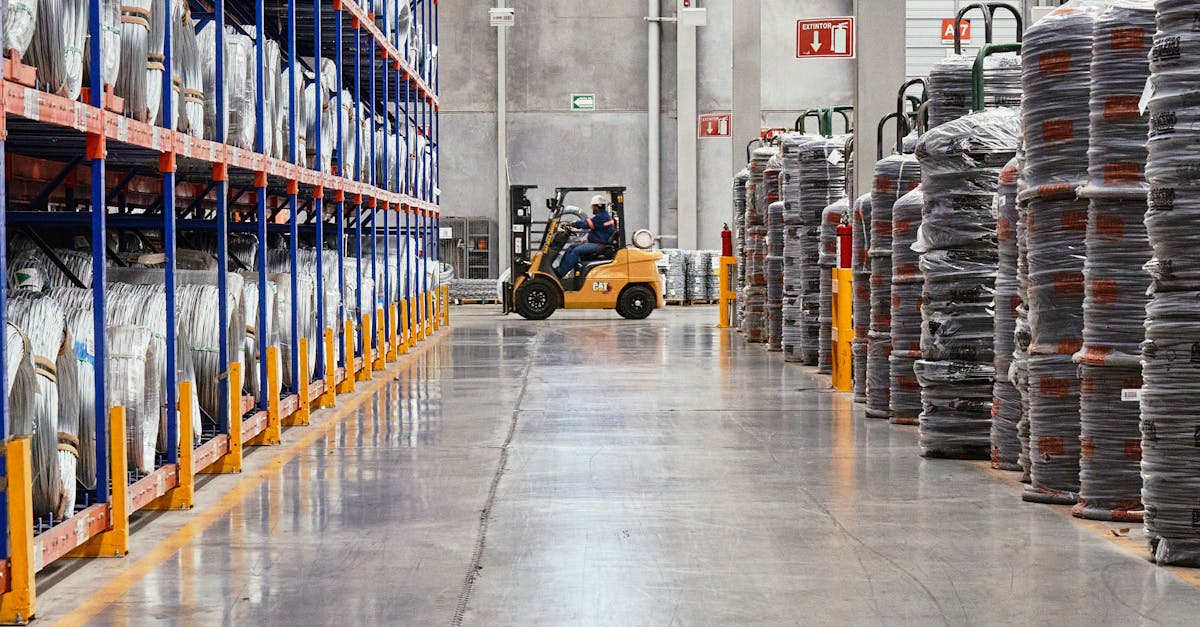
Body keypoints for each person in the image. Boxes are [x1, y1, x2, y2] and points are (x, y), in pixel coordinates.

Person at [557, 194, 616, 278]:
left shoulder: (601, 217)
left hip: (600, 246)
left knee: (576, 250)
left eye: (593, 206)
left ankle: (560, 273)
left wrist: (571, 223)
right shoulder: (604, 216)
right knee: (571, 247)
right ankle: (560, 269)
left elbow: (585, 224)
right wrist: (588, 240)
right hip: (597, 243)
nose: (592, 208)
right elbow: (599, 231)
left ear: (597, 207)